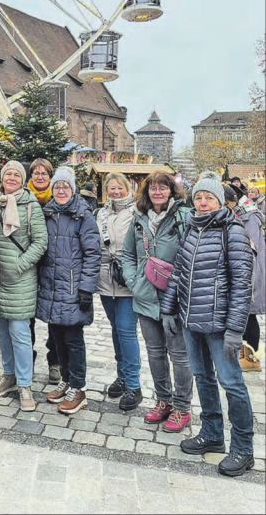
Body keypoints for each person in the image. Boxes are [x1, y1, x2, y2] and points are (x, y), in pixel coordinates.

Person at [162, 172, 255, 477]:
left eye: (209, 198)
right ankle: (212, 433)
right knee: (203, 377)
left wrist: (236, 329)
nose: (203, 203)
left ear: (220, 201)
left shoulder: (233, 231)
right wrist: (169, 310)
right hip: (191, 320)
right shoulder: (192, 228)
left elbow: (242, 285)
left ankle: (243, 448)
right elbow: (178, 272)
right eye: (199, 197)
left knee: (232, 384)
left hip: (220, 325)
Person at [121, 172, 193, 432]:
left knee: (179, 355)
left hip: (174, 297)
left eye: (163, 187)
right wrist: (134, 282)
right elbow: (128, 254)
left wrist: (181, 287)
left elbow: (191, 256)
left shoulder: (183, 216)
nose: (158, 192)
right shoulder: (139, 218)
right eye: (153, 188)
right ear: (147, 192)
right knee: (155, 353)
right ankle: (163, 400)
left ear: (172, 191)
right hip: (145, 296)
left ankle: (182, 406)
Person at [0, 161, 48, 412]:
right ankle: (8, 374)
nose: (11, 178)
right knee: (3, 333)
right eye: (7, 174)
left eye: (16, 175)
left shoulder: (30, 206)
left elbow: (40, 242)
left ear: (22, 179)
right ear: (2, 177)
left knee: (20, 334)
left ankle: (25, 384)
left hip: (20, 280)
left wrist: (20, 264)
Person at [36, 167, 101, 414]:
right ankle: (65, 380)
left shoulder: (82, 215)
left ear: (72, 189)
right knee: (57, 338)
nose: (61, 191)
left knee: (73, 340)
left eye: (65, 187)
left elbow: (93, 254)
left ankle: (79, 387)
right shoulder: (48, 212)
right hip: (52, 287)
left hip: (73, 288)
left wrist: (86, 288)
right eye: (57, 187)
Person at [96, 172, 142, 411]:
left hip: (127, 281)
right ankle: (122, 375)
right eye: (111, 188)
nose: (115, 192)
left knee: (126, 331)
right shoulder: (101, 214)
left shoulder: (137, 212)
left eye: (119, 187)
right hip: (106, 281)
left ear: (127, 188)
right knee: (116, 331)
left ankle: (134, 384)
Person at [26, 158, 61, 384]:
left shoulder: (58, 199)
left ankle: (54, 361)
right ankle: (26, 358)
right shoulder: (22, 197)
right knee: (26, 316)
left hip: (53, 265)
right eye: (36, 173)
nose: (40, 177)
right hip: (28, 264)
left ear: (51, 177)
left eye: (44, 173)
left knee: (54, 315)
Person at [224, 186, 265, 372]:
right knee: (243, 314)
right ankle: (243, 355)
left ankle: (252, 358)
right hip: (240, 270)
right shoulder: (238, 214)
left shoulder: (249, 216)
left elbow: (250, 247)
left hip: (251, 271)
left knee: (249, 314)